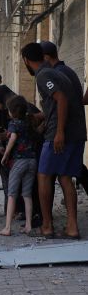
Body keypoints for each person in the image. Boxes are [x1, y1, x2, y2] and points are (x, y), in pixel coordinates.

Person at [21, 42, 85, 239]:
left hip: (60, 136)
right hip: (76, 133)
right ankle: (72, 228)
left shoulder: (43, 75)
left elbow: (62, 99)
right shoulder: (60, 72)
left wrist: (58, 132)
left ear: (26, 60)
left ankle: (47, 226)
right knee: (65, 178)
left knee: (43, 175)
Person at [40, 40, 88, 194]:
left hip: (68, 132)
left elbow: (63, 103)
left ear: (46, 58)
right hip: (74, 131)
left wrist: (59, 132)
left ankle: (48, 218)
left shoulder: (57, 73)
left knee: (54, 175)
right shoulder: (66, 71)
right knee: (72, 172)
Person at [0, 95, 39, 236]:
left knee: (11, 194)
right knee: (27, 194)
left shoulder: (13, 124)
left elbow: (13, 138)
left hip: (19, 162)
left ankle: (7, 227)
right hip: (32, 161)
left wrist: (5, 155)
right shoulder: (29, 122)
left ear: (12, 111)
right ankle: (28, 225)